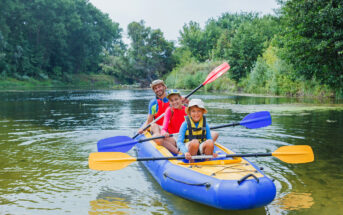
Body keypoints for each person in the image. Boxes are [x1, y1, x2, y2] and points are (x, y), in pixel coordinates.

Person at [160, 89, 187, 154]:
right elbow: (164, 129)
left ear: (181, 99)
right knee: (161, 140)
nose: (174, 102)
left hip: (185, 136)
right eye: (171, 100)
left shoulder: (187, 110)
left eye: (176, 99)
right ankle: (179, 152)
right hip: (174, 137)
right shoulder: (169, 110)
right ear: (169, 102)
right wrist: (164, 133)